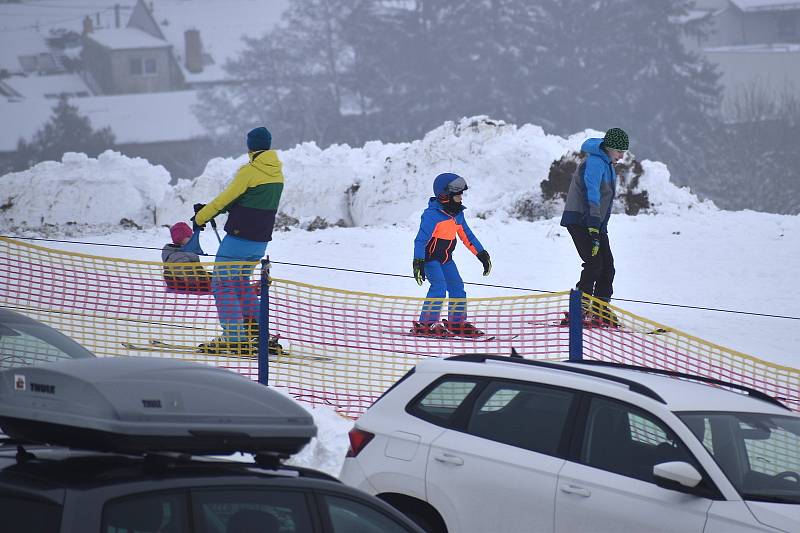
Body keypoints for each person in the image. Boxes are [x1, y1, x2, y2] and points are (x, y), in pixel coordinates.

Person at [191, 126, 284, 354]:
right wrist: (215, 210)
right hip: (260, 242)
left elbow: (225, 198)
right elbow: (246, 200)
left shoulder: (249, 171)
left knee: (222, 283)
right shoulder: (277, 173)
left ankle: (234, 337)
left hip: (239, 239)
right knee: (240, 282)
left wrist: (201, 217)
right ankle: (258, 332)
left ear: (250, 145)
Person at [560, 127, 629, 325]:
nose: (622, 156)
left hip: (595, 223)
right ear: (609, 148)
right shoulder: (595, 163)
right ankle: (579, 310)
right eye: (619, 152)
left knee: (608, 266)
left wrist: (599, 226)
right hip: (581, 221)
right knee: (594, 263)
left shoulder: (607, 164)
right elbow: (592, 194)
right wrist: (592, 225)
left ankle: (600, 309)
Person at [411, 172, 492, 337]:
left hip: (446, 259)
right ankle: (426, 324)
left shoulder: (457, 215)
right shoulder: (432, 215)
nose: (461, 198)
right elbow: (420, 241)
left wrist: (481, 254)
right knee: (439, 287)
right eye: (458, 195)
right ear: (445, 196)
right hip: (430, 259)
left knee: (457, 288)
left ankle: (456, 323)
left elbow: (467, 237)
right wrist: (418, 261)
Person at [161, 222, 211, 293]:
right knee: (222, 282)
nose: (191, 239)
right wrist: (210, 279)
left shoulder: (183, 252)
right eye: (189, 236)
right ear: (181, 238)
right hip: (190, 285)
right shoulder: (177, 256)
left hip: (197, 281)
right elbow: (190, 277)